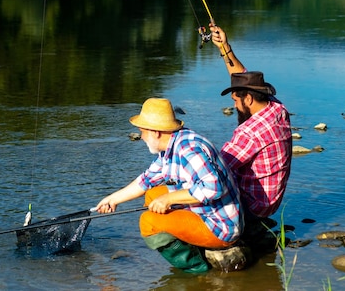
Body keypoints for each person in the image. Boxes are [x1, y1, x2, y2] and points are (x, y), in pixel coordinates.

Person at [92, 98, 242, 273]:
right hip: (205, 211)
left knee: (148, 222)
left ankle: (197, 268)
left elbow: (214, 188)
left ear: (156, 132)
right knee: (152, 195)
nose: (140, 137)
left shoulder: (188, 150)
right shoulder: (172, 145)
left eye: (142, 131)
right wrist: (113, 199)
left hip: (220, 226)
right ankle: (189, 243)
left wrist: (169, 198)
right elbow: (146, 181)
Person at [210, 23, 293, 231]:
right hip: (270, 202)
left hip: (253, 206)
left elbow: (215, 170)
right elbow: (243, 76)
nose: (234, 105)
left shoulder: (250, 132)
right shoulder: (276, 108)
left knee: (196, 192)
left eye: (235, 100)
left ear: (247, 98)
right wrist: (224, 47)